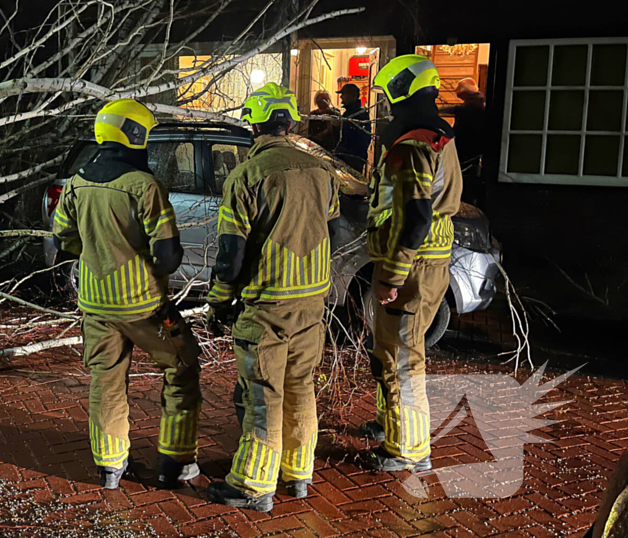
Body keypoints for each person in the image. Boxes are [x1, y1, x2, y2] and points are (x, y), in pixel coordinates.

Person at [52, 99, 203, 490]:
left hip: (95, 306)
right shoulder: (144, 186)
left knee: (106, 380)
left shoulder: (78, 183)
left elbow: (64, 240)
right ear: (134, 135)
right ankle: (176, 462)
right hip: (144, 307)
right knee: (182, 365)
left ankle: (109, 467)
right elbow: (168, 258)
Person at [204, 83, 340, 511]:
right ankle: (298, 475)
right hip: (312, 302)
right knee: (301, 387)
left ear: (256, 125)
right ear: (289, 123)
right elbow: (330, 229)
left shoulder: (247, 175)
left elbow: (231, 251)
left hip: (267, 306)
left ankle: (252, 485)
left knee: (262, 393)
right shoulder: (322, 170)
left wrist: (219, 301)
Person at [360, 55, 463, 472]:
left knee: (403, 356)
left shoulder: (415, 142)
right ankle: (392, 426)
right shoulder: (438, 135)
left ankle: (410, 450)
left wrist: (393, 275)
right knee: (390, 350)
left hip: (412, 267)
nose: (386, 105)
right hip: (426, 261)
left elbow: (415, 214)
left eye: (387, 95)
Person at [441, 79, 487, 204]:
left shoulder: (471, 106)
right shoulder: (478, 102)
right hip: (474, 149)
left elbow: (462, 130)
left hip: (467, 149)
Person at [336, 82, 372, 173]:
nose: (341, 97)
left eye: (343, 94)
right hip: (345, 156)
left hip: (353, 158)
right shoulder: (347, 113)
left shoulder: (360, 115)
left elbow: (361, 139)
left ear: (353, 96)